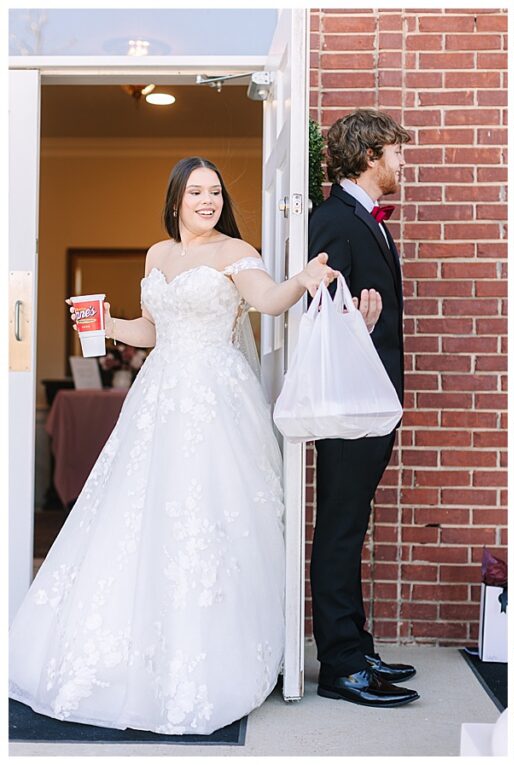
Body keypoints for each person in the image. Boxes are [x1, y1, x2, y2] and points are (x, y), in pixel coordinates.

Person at [8, 156, 379, 735]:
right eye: (196, 192)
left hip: (216, 399)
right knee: (141, 515)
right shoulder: (158, 255)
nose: (207, 201)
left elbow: (268, 300)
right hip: (158, 396)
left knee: (208, 518)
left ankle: (210, 654)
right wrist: (107, 325)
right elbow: (152, 331)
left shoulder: (236, 251)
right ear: (176, 200)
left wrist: (302, 281)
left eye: (215, 192)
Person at [307, 109, 419, 707]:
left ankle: (358, 646)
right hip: (350, 400)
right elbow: (317, 315)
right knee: (340, 527)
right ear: (371, 155)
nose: (403, 163)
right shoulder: (332, 220)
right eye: (397, 153)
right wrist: (358, 324)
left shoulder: (363, 218)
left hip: (372, 399)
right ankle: (341, 665)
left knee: (352, 525)